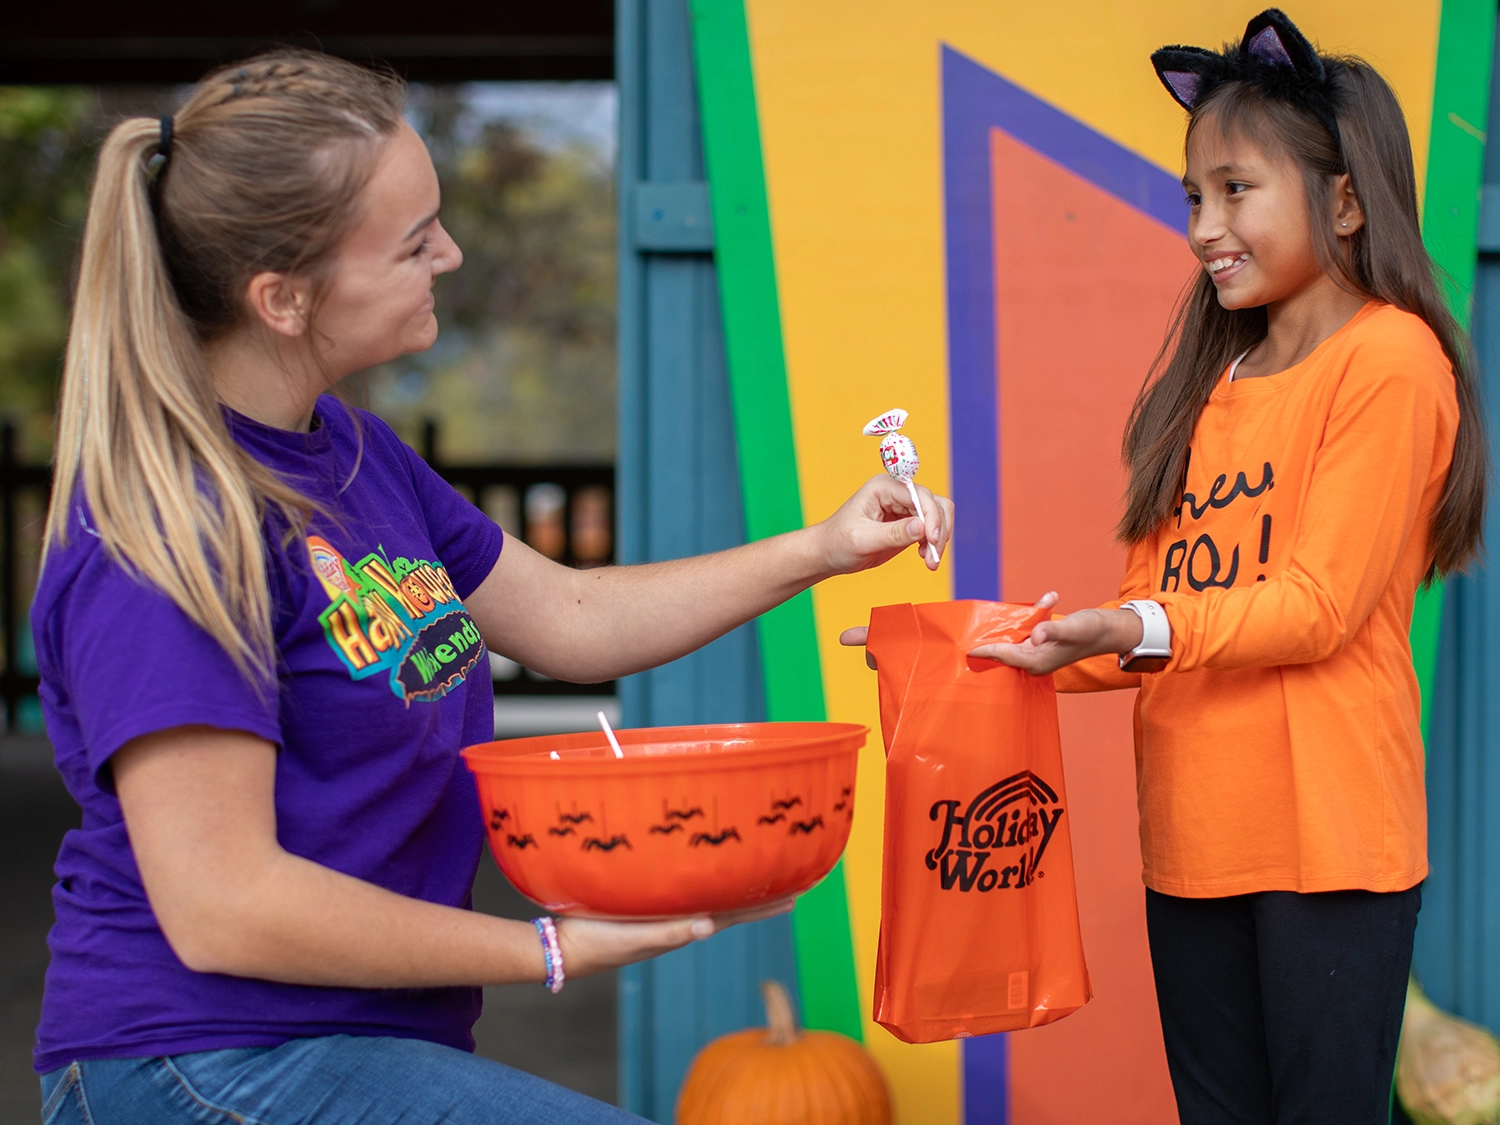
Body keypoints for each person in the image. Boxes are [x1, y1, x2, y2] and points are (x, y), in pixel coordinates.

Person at [33, 50, 953, 1125]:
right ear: (283, 297)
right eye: (416, 242)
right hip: (195, 1059)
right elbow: (225, 908)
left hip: (341, 1042)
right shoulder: (164, 533)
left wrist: (823, 547)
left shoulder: (357, 455)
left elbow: (570, 618)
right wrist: (548, 948)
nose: (452, 255)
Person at [849, 9, 1485, 1124]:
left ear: (1344, 200)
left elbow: (1316, 608)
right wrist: (980, 655)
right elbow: (1155, 615)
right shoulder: (1209, 386)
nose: (1203, 227)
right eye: (1195, 196)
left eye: (1236, 190)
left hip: (1329, 843)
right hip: (1191, 840)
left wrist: (1129, 630)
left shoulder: (1391, 359)